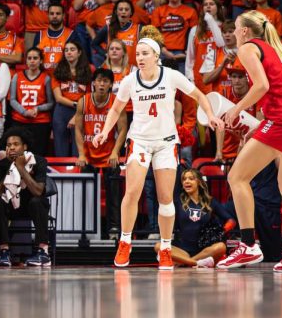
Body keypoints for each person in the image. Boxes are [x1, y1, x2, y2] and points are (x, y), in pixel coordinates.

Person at [94, 26, 222, 269]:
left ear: (156, 56)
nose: (140, 58)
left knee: (165, 198)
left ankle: (165, 247)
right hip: (139, 141)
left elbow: (199, 95)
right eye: (138, 54)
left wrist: (211, 116)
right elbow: (115, 110)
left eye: (144, 54)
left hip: (165, 143)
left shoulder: (172, 76)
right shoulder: (130, 81)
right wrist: (104, 131)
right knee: (132, 192)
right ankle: (125, 242)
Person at [216, 10, 282, 272]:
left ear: (243, 31)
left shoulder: (248, 48)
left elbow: (261, 86)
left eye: (235, 28)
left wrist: (236, 109)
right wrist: (262, 125)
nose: (231, 33)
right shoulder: (273, 49)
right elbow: (281, 93)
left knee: (236, 177)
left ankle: (249, 245)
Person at [0, 130, 51, 267]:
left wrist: (20, 167)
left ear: (24, 147)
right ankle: (4, 252)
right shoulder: (2, 163)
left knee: (38, 201)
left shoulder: (38, 161)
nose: (11, 147)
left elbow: (38, 191)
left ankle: (43, 252)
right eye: (8, 145)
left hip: (32, 207)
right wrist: (11, 168)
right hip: (11, 206)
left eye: (16, 144)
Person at [167, 167, 228, 268]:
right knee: (158, 246)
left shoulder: (210, 201)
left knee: (221, 247)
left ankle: (186, 262)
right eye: (184, 179)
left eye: (191, 178)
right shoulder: (178, 201)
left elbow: (231, 220)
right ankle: (196, 263)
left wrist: (221, 231)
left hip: (204, 251)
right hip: (182, 250)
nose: (187, 181)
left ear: (199, 182)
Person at [7, 47, 53, 155]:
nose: (32, 61)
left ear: (41, 60)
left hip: (40, 123)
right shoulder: (17, 76)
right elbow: (12, 100)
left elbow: (51, 103)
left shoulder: (46, 78)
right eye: (29, 58)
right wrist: (24, 112)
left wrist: (37, 108)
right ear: (26, 60)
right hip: (19, 121)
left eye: (35, 58)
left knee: (38, 155)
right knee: (18, 155)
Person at [52, 40, 92, 157]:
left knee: (78, 149)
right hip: (61, 110)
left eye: (72, 49)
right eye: (66, 50)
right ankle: (61, 175)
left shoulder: (89, 70)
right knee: (60, 148)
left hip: (81, 111)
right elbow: (58, 98)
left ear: (79, 52)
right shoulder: (57, 71)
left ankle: (77, 174)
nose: (69, 52)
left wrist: (77, 115)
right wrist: (75, 105)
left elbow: (89, 96)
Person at [150, 0, 197, 71]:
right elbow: (155, 34)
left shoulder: (191, 11)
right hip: (162, 52)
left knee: (180, 84)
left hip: (182, 54)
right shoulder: (158, 11)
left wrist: (186, 53)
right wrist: (164, 51)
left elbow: (193, 35)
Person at [186, 0, 227, 93]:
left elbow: (221, 44)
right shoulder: (195, 30)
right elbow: (190, 58)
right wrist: (190, 79)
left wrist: (211, 21)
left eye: (211, 4)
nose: (208, 7)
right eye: (205, 4)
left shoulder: (225, 28)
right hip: (199, 77)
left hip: (219, 75)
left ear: (218, 8)